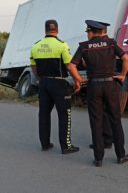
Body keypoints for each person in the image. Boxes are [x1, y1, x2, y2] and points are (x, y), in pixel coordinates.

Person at [68, 20, 128, 167]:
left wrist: (79, 79)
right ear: (103, 31)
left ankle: (98, 158)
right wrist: (122, 75)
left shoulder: (84, 46)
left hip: (94, 85)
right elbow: (126, 59)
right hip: (110, 85)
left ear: (91, 31)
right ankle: (121, 155)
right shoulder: (111, 43)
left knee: (96, 121)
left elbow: (71, 66)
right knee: (115, 119)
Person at [30, 19, 81, 154]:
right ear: (57, 30)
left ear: (45, 30)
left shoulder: (36, 46)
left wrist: (41, 78)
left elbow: (33, 66)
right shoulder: (62, 45)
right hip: (59, 83)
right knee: (64, 114)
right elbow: (69, 65)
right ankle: (66, 146)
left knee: (44, 114)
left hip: (44, 83)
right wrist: (78, 79)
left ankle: (45, 144)